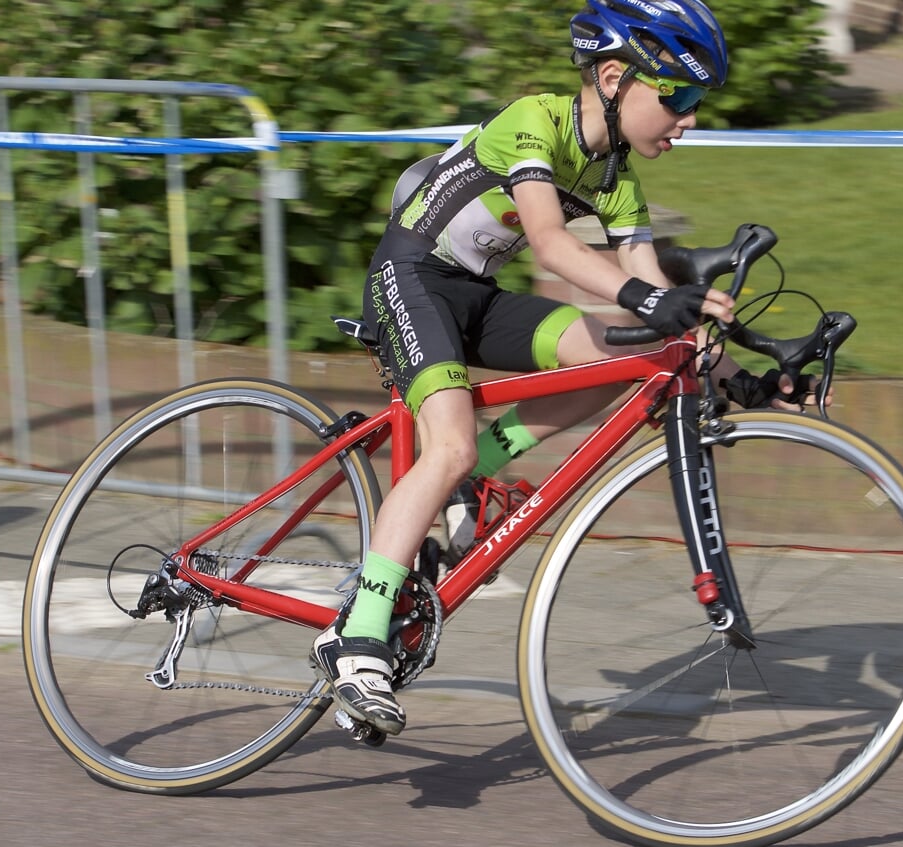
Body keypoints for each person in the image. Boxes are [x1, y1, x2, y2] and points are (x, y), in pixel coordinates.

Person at [312, 0, 818, 737]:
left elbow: (659, 320)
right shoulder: (534, 121)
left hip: (474, 295)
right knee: (446, 442)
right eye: (677, 97)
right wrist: (650, 295)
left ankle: (470, 484)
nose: (689, 118)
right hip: (412, 276)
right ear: (614, 77)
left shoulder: (615, 177)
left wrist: (745, 382)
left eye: (696, 102)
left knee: (625, 361)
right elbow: (550, 244)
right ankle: (356, 640)